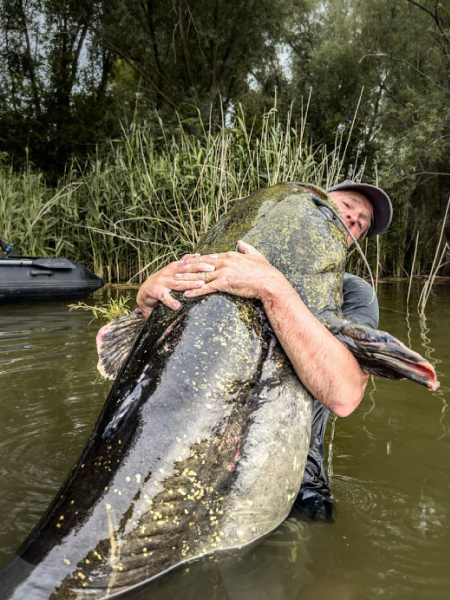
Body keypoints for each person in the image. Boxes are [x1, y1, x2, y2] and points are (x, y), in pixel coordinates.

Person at [135, 180, 393, 521]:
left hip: (293, 477)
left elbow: (344, 395)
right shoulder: (228, 262)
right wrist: (147, 304)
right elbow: (160, 362)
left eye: (362, 223)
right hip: (182, 460)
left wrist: (272, 289)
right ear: (312, 204)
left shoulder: (355, 294)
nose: (352, 218)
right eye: (346, 205)